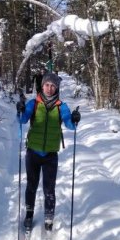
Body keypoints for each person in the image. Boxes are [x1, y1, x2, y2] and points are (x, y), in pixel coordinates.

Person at [16, 72, 81, 231]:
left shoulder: (61, 106)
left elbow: (70, 126)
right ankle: (29, 215)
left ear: (57, 87)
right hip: (33, 152)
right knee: (31, 185)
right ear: (42, 86)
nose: (49, 88)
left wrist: (74, 119)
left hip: (51, 154)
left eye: (53, 86)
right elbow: (22, 120)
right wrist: (20, 110)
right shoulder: (34, 103)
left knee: (49, 188)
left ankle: (49, 216)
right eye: (47, 85)